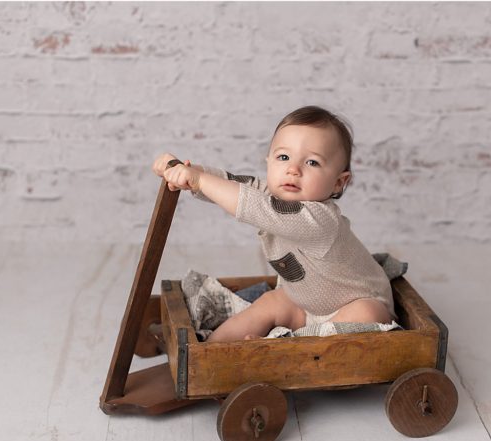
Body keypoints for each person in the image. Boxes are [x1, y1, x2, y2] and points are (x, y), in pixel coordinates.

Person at [152, 106, 394, 342]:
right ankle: (207, 353)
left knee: (367, 313)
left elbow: (254, 207)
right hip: (308, 308)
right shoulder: (269, 193)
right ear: (268, 161)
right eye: (284, 157)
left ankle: (282, 352)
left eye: (312, 162)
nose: (293, 169)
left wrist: (198, 180)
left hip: (358, 308)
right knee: (272, 302)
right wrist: (189, 172)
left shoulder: (320, 220)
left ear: (339, 183)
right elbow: (233, 184)